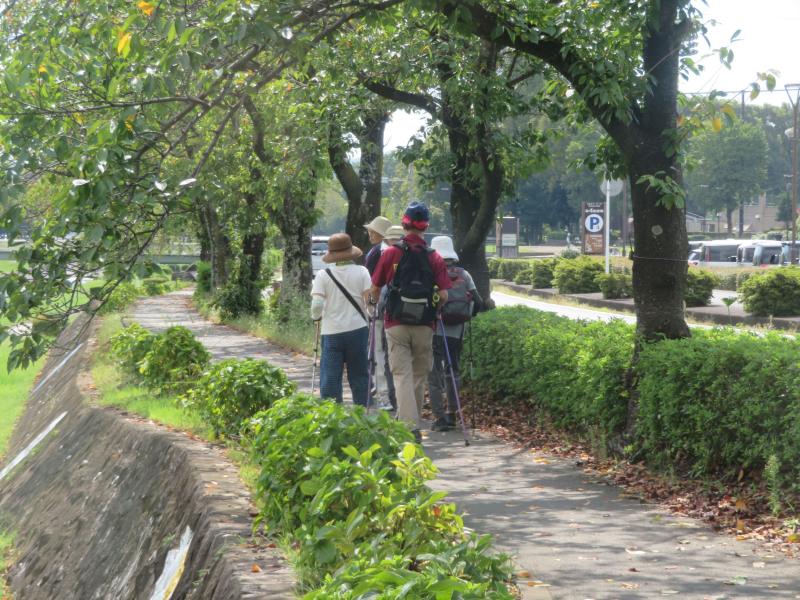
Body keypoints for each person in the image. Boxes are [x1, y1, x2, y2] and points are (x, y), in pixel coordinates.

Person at [370, 202, 451, 443]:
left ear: (404, 224)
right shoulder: (434, 257)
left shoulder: (392, 253)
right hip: (425, 324)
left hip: (396, 323)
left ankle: (409, 425)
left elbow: (375, 289)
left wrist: (374, 301)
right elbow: (445, 294)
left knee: (402, 374)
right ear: (425, 227)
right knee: (418, 375)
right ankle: (410, 422)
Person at [426, 236, 484, 431]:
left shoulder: (430, 273)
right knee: (453, 371)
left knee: (434, 375)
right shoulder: (464, 274)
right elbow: (478, 302)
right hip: (456, 332)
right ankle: (452, 414)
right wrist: (465, 316)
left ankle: (439, 418)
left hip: (434, 330)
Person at [310, 233, 372, 406]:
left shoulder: (323, 275)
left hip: (332, 332)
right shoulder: (362, 272)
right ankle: (363, 412)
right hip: (358, 330)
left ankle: (333, 414)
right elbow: (370, 302)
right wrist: (371, 315)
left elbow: (316, 305)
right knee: (359, 374)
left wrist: (316, 317)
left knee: (330, 376)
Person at [373, 225, 404, 410]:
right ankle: (409, 403)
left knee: (387, 357)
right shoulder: (422, 253)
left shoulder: (386, 254)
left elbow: (375, 287)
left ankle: (391, 399)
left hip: (390, 315)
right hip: (419, 317)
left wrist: (372, 305)